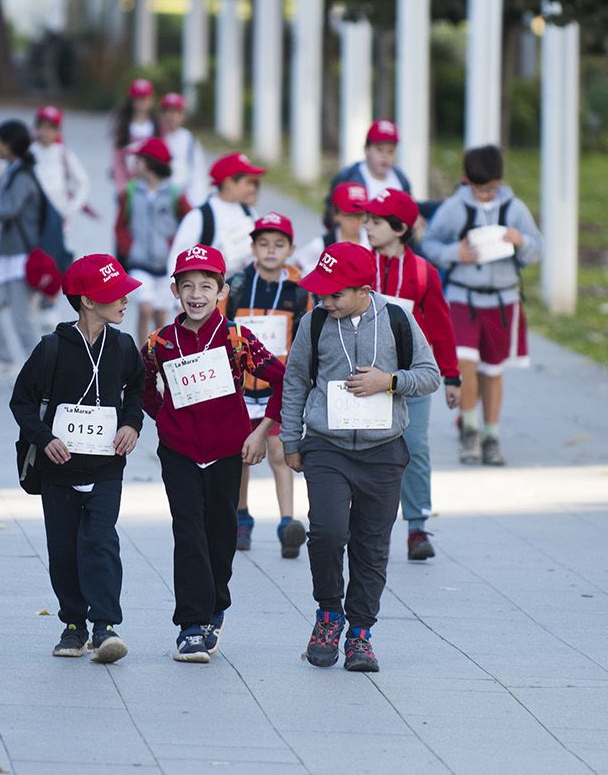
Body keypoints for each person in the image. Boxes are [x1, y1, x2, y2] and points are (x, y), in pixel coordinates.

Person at [278, 242, 442, 673]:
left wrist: (389, 381)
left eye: (335, 295)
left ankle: (361, 633)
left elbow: (430, 376)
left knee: (372, 545)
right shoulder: (314, 323)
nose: (325, 302)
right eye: (321, 294)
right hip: (327, 447)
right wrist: (291, 441)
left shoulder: (396, 319)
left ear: (364, 290)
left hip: (383, 451)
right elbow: (295, 381)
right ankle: (328, 615)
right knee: (328, 532)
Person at [141, 244, 283, 664]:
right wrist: (166, 420)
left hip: (227, 452)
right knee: (187, 531)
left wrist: (261, 433)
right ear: (174, 290)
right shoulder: (159, 342)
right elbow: (145, 389)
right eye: (188, 286)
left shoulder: (236, 338)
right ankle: (190, 626)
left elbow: (282, 380)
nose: (197, 294)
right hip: (179, 452)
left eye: (206, 285)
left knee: (220, 534)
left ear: (222, 290)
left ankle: (215, 607)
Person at [10, 254, 145, 664]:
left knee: (100, 543)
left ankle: (105, 626)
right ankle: (73, 624)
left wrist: (132, 425)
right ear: (87, 301)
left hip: (106, 468)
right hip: (58, 471)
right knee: (64, 550)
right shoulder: (52, 348)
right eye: (115, 294)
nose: (125, 301)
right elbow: (22, 401)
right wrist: (43, 437)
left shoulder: (122, 346)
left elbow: (136, 392)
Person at [419, 145, 543, 467]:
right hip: (463, 297)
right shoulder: (454, 208)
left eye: (491, 189)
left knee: (493, 369)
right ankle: (469, 429)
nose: (486, 196)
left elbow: (537, 248)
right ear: (466, 181)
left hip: (502, 300)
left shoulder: (515, 208)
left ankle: (492, 434)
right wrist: (453, 253)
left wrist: (522, 242)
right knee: (464, 363)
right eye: (478, 189)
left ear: (500, 181)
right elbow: (429, 242)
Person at [362, 189, 463, 560]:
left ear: (400, 228)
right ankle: (366, 522)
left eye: (375, 221)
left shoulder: (423, 272)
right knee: (367, 449)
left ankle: (417, 526)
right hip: (364, 377)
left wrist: (451, 376)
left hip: (412, 379)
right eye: (366, 219)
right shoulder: (359, 265)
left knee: (415, 448)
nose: (367, 226)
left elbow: (440, 326)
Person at [226, 213, 313, 558]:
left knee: (279, 452)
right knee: (242, 454)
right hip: (242, 387)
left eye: (279, 245)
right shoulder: (236, 286)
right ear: (253, 248)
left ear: (291, 248)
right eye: (263, 244)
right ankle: (241, 516)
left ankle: (287, 522)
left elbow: (307, 335)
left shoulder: (299, 290)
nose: (271, 250)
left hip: (280, 386)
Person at [0, 120, 47, 383]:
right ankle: (5, 360)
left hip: (21, 257)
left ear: (10, 144)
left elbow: (10, 208)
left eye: (0, 140)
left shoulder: (23, 176)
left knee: (23, 320)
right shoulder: (13, 170)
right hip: (6, 256)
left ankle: (41, 372)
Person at [113, 136, 188, 343]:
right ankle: (141, 353)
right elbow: (121, 224)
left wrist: (176, 249)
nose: (134, 164)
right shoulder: (130, 191)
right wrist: (128, 249)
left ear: (149, 163)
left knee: (160, 314)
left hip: (166, 266)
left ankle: (160, 353)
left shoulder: (175, 194)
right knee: (145, 308)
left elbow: (189, 224)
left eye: (138, 160)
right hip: (139, 262)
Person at [167, 152, 265, 277]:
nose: (253, 189)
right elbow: (177, 260)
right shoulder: (199, 217)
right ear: (229, 182)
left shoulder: (249, 213)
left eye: (254, 184)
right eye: (248, 183)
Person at [32, 105, 91, 230]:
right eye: (42, 126)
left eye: (50, 127)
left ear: (58, 131)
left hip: (57, 219)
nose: (45, 132)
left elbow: (83, 183)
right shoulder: (29, 153)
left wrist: (70, 210)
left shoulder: (63, 154)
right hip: (32, 220)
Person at [291, 181, 369, 274]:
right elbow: (294, 269)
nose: (355, 221)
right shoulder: (322, 245)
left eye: (359, 215)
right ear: (336, 214)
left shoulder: (372, 242)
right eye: (349, 215)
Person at [157, 92, 209, 207]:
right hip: (161, 200)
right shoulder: (156, 138)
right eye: (167, 111)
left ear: (183, 115)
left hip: (184, 200)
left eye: (176, 112)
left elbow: (198, 173)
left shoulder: (190, 140)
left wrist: (197, 202)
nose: (171, 116)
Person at [110, 78, 158, 188]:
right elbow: (118, 162)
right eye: (138, 99)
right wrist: (122, 187)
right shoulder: (124, 128)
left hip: (152, 185)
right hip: (129, 186)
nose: (141, 103)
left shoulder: (157, 127)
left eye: (145, 99)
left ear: (151, 100)